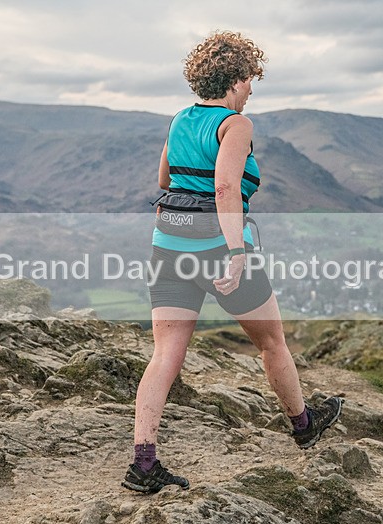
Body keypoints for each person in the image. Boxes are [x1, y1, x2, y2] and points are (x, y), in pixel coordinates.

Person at [122, 30, 343, 494]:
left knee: (165, 354)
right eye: (250, 80)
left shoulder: (179, 119)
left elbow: (165, 178)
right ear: (237, 79)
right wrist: (236, 253)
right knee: (271, 341)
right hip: (217, 246)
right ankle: (303, 425)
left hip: (169, 243)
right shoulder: (235, 125)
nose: (251, 89)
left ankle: (143, 463)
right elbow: (225, 188)